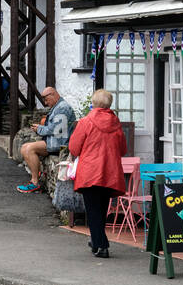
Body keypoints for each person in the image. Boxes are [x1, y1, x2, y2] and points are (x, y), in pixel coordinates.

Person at [66, 89, 127, 258]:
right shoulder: (116, 123)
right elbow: (123, 149)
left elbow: (74, 148)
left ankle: (102, 246)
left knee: (93, 210)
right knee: (100, 209)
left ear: (94, 103)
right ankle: (96, 241)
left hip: (90, 171)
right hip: (110, 172)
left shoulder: (86, 122)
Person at [16, 87, 75, 193]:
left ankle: (35, 183)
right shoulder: (58, 106)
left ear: (53, 95)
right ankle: (36, 177)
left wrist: (39, 128)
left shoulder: (63, 108)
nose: (45, 103)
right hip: (54, 141)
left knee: (29, 149)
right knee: (24, 147)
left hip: (60, 144)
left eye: (46, 99)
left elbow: (55, 130)